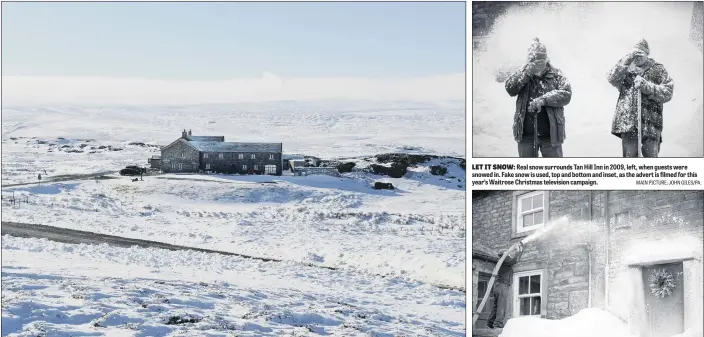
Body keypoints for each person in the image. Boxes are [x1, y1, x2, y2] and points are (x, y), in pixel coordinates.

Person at [505, 38, 572, 157]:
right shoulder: (522, 72)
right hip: (526, 136)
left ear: (546, 57)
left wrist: (544, 100)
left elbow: (566, 94)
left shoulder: (556, 74)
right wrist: (527, 73)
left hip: (551, 136)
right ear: (529, 59)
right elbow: (510, 89)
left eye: (541, 57)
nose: (539, 61)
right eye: (535, 58)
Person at [607, 39, 674, 157]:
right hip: (628, 124)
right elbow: (611, 78)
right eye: (635, 54)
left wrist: (647, 87)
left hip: (651, 125)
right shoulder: (625, 69)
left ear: (647, 54)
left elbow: (668, 92)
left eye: (640, 54)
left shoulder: (658, 69)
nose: (637, 58)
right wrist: (627, 59)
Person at [487, 242, 524, 329]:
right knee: (502, 305)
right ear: (505, 255)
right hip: (502, 286)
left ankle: (490, 322)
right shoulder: (504, 260)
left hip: (498, 286)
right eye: (509, 254)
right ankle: (498, 324)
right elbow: (515, 260)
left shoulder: (502, 262)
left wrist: (519, 250)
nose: (510, 255)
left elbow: (513, 260)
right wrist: (519, 250)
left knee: (496, 305)